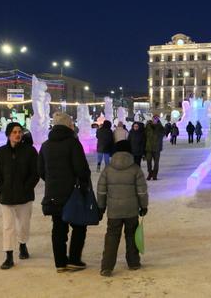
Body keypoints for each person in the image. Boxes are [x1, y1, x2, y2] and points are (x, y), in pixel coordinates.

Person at [38, 112, 91, 272]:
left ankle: (60, 263)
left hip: (53, 194)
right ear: (69, 125)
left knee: (58, 228)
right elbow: (81, 169)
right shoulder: (73, 143)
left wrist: (53, 182)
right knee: (79, 226)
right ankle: (74, 259)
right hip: (72, 194)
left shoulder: (46, 145)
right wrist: (83, 184)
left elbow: (40, 170)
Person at [97, 140, 148, 277]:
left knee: (112, 237)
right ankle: (133, 262)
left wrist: (101, 207)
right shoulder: (135, 169)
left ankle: (107, 266)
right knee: (131, 235)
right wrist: (144, 206)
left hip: (114, 211)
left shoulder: (108, 169)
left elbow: (101, 190)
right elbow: (142, 191)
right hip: (131, 210)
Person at [0, 122, 39, 270]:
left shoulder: (30, 151)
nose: (17, 134)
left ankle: (23, 244)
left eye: (19, 132)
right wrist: (0, 187)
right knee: (8, 227)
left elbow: (35, 173)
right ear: (8, 134)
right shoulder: (1, 152)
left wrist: (26, 188)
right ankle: (8, 256)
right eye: (14, 132)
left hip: (24, 196)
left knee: (23, 225)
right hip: (6, 196)